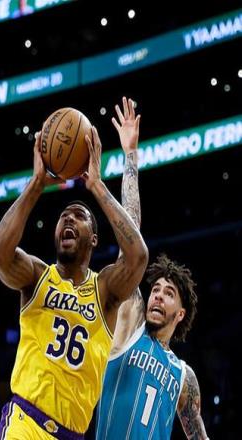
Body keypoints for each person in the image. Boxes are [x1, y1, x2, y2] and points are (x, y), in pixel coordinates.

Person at [0, 105, 149, 438]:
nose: (68, 219)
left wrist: (97, 185)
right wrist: (36, 184)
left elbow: (138, 257)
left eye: (79, 216)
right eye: (64, 216)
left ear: (94, 238)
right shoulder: (36, 276)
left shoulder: (105, 290)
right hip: (25, 423)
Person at [96, 98, 208, 439]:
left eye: (168, 293)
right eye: (156, 289)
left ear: (180, 313)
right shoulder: (130, 324)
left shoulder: (184, 377)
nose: (157, 295)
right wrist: (131, 155)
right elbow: (131, 239)